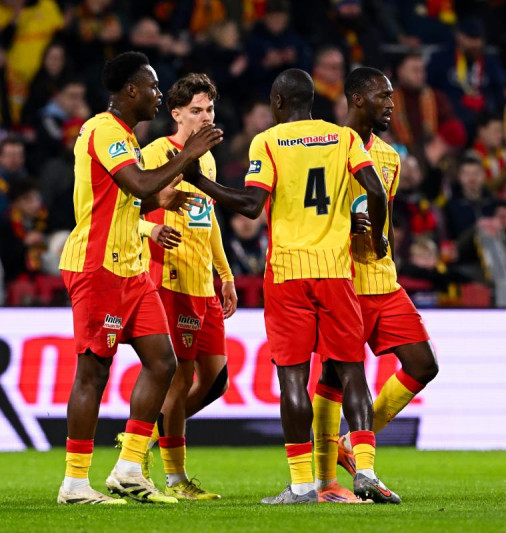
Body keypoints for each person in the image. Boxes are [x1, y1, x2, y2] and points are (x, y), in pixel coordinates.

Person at [180, 68, 390, 505]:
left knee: (293, 377)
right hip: (336, 272)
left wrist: (200, 181)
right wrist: (378, 238)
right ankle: (367, 471)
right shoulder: (344, 138)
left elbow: (251, 205)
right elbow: (376, 190)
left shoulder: (269, 141)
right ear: (310, 101)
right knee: (351, 371)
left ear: (278, 103)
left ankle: (300, 486)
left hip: (288, 274)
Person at [56, 51, 222, 505]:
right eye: (152, 87)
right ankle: (74, 483)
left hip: (130, 266)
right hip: (97, 266)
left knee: (163, 363)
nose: (158, 94)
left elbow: (134, 199)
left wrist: (159, 202)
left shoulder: (126, 138)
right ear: (130, 90)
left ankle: (128, 469)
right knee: (93, 371)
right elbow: (140, 185)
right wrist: (187, 155)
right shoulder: (104, 130)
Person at [313, 67, 438, 504]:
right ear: (357, 99)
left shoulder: (390, 157)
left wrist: (385, 250)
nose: (390, 104)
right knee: (334, 378)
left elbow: (387, 217)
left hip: (383, 280)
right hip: (341, 279)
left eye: (391, 96)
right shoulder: (326, 147)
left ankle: (351, 443)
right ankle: (324, 481)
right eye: (383, 96)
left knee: (423, 364)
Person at [133, 73, 236, 500]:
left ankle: (145, 437)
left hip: (202, 282)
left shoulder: (206, 159)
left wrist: (225, 275)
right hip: (169, 278)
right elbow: (122, 209)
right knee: (179, 379)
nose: (205, 117)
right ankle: (174, 478)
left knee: (217, 379)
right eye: (196, 110)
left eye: (209, 109)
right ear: (176, 114)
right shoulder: (156, 153)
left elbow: (207, 219)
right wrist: (149, 230)